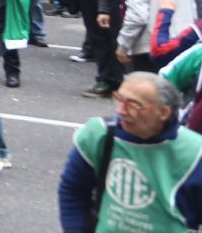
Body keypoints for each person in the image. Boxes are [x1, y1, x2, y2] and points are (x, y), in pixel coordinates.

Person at [60, 71, 202, 231]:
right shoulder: (99, 134)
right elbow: (73, 189)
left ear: (163, 112)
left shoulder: (195, 152)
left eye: (133, 104)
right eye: (119, 99)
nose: (121, 111)